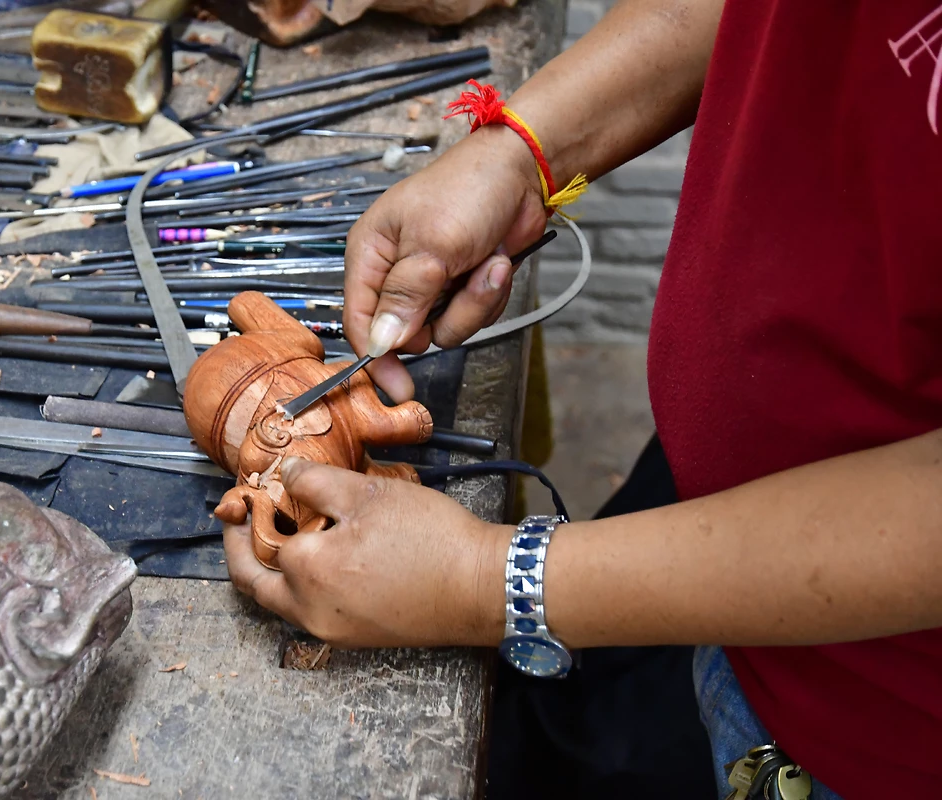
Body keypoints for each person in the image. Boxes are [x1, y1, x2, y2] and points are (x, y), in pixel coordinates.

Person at [222, 0, 942, 797]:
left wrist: (481, 579)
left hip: (879, 720)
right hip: (722, 509)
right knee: (579, 742)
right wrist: (519, 153)